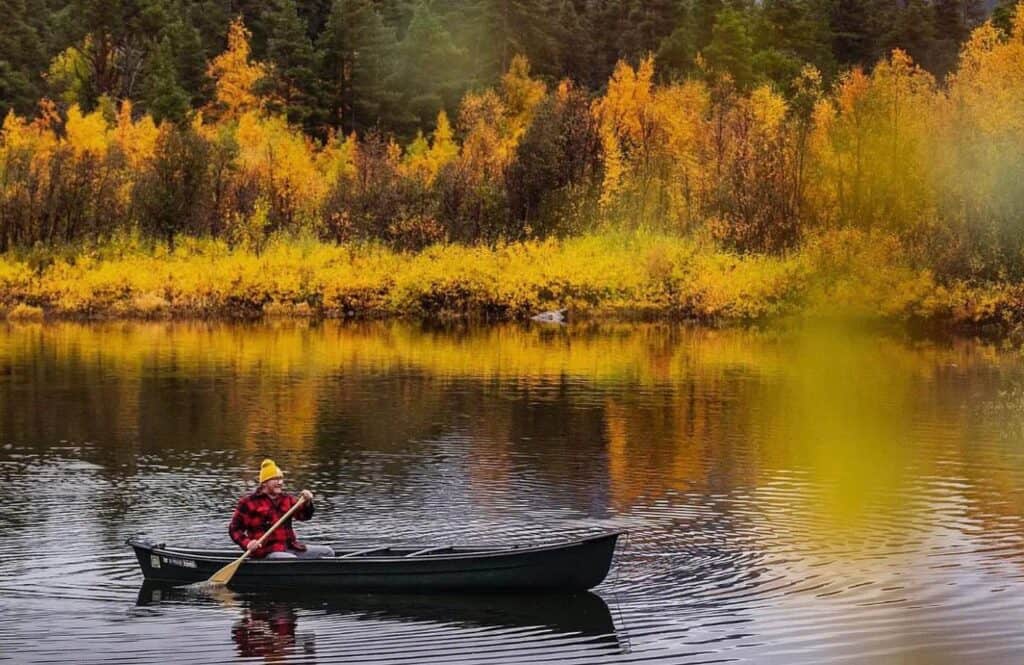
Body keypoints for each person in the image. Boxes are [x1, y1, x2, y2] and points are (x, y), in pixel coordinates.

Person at [229, 459, 335, 559]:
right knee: (290, 560)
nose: (280, 482)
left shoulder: (287, 499)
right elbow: (234, 529)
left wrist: (307, 502)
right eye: (275, 479)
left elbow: (304, 516)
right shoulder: (248, 502)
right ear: (264, 482)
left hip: (290, 547)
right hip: (266, 552)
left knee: (328, 552)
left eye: (281, 479)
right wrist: (248, 543)